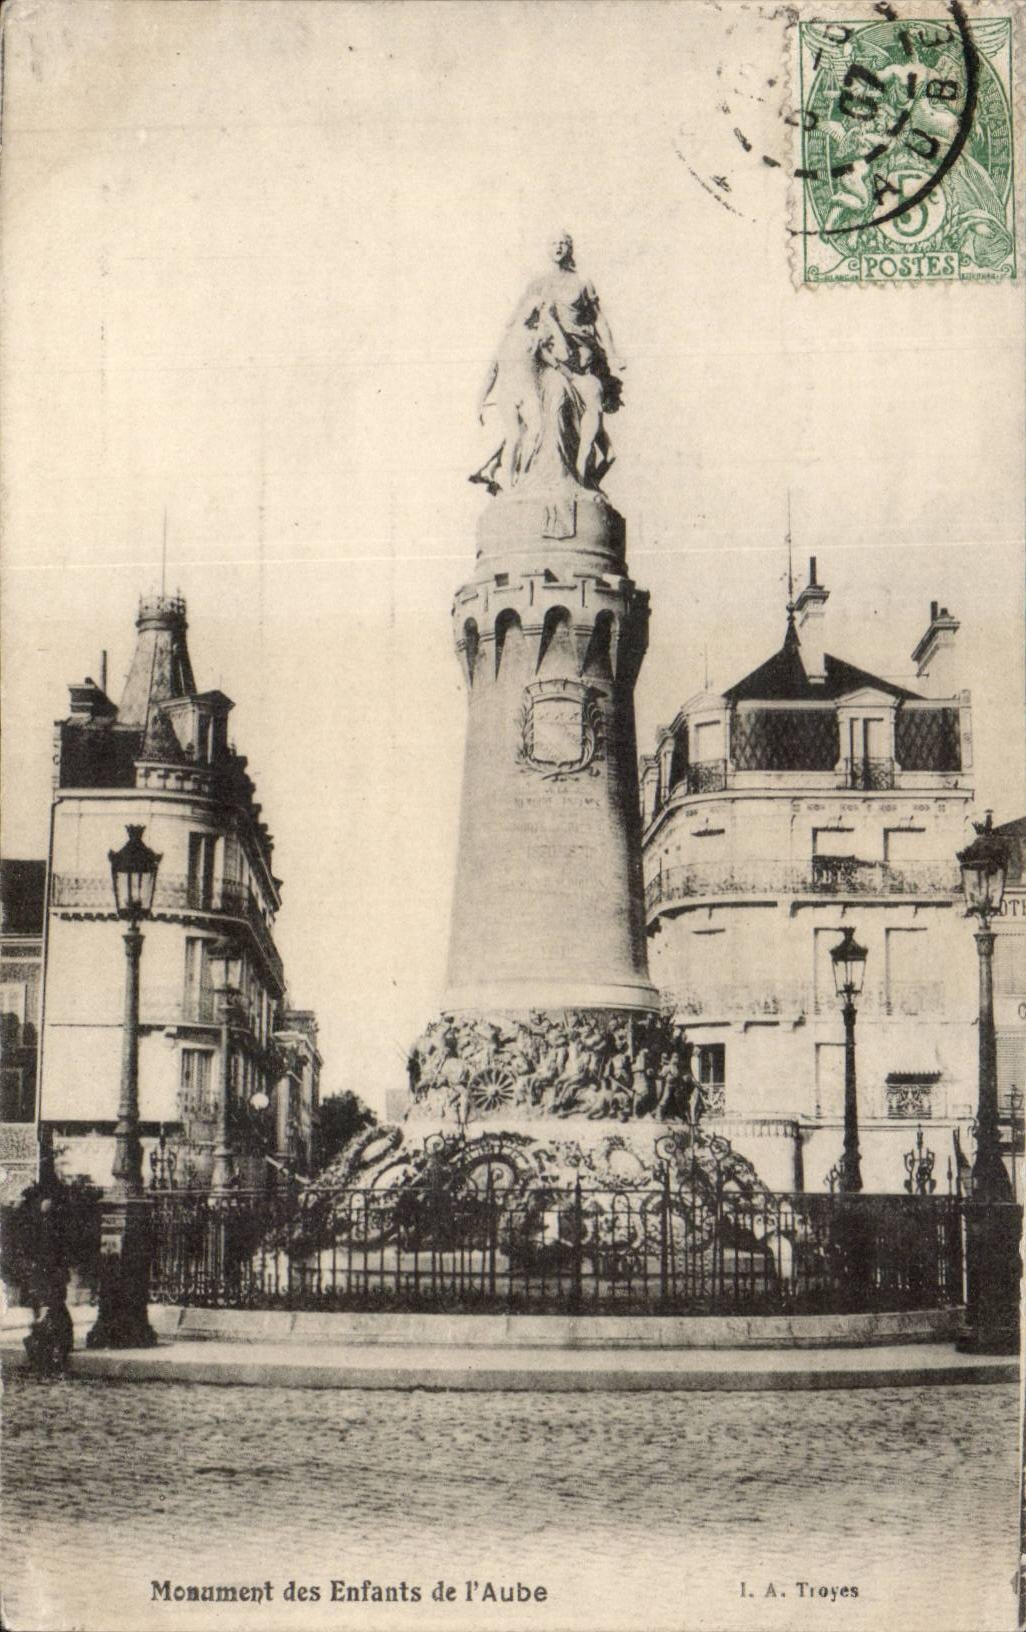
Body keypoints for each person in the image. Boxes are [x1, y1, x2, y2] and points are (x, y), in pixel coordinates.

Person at [471, 233, 625, 493]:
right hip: (547, 355)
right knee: (545, 404)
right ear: (547, 248)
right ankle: (530, 477)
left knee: (588, 404)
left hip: (580, 356)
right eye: (553, 243)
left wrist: (612, 353)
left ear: (570, 248)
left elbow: (600, 321)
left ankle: (582, 478)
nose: (558, 248)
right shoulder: (538, 284)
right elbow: (517, 319)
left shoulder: (582, 283)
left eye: (563, 243)